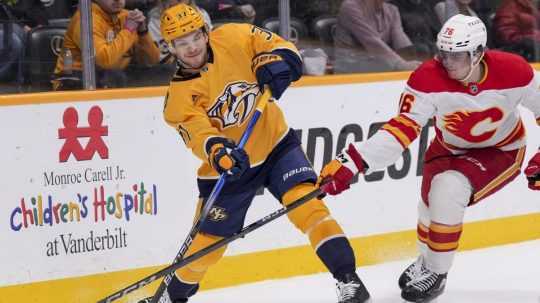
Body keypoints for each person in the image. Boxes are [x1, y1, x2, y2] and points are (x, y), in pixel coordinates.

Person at [140, 3, 372, 303]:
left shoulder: (234, 36)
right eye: (182, 43)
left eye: (195, 37)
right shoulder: (179, 98)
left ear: (205, 32)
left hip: (276, 145)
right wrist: (220, 152)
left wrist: (279, 62)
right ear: (169, 47)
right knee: (207, 246)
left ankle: (348, 279)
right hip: (229, 169)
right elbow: (200, 135)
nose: (192, 47)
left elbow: (281, 46)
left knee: (307, 206)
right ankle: (173, 297)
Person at [319, 14, 540, 303]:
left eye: (456, 55)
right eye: (443, 53)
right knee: (427, 209)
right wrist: (353, 161)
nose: (447, 61)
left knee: (447, 190)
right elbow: (401, 129)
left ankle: (437, 272)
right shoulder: (427, 77)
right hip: (447, 148)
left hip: (501, 152)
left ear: (478, 53)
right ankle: (428, 259)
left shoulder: (515, 71)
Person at [51, 0, 160, 90]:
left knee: (163, 72)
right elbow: (104, 61)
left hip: (112, 77)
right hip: (73, 80)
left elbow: (151, 61)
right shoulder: (85, 20)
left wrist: (143, 33)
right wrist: (128, 30)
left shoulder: (126, 17)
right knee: (115, 76)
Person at [333, 0, 422, 73]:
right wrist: (401, 64)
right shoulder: (350, 7)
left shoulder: (392, 10)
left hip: (380, 65)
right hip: (349, 71)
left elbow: (402, 43)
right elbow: (372, 41)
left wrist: (417, 61)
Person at [148, 0, 212, 64]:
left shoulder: (200, 13)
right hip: (173, 68)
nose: (175, 2)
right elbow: (163, 60)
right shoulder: (155, 22)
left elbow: (211, 46)